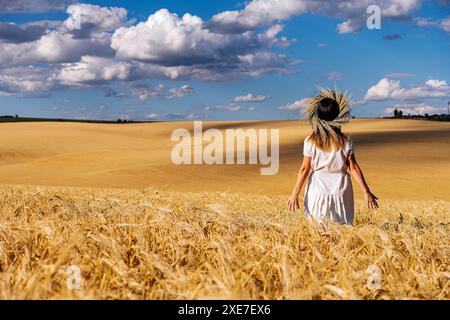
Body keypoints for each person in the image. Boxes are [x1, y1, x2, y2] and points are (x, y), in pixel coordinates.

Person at [288, 89, 378, 225]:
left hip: (317, 189)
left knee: (317, 230)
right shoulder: (346, 140)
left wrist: (295, 194)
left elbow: (304, 169)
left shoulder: (310, 141)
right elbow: (353, 168)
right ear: (338, 116)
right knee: (343, 227)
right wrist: (366, 192)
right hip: (341, 191)